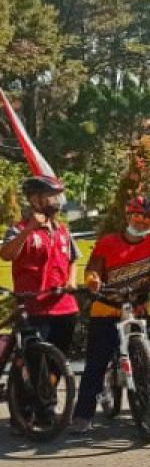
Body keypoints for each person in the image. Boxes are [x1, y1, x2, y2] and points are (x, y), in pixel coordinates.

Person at [71, 196, 150, 434]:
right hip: (106, 309)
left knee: (145, 361)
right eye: (138, 216)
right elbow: (93, 268)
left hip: (138, 309)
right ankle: (83, 414)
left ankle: (149, 405)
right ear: (129, 216)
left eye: (149, 218)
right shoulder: (108, 242)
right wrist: (93, 279)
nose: (142, 221)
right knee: (96, 363)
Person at [0, 175, 81, 428]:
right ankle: (41, 412)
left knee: (58, 362)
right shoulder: (19, 228)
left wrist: (71, 279)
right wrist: (28, 230)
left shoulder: (63, 231)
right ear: (34, 199)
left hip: (64, 306)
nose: (56, 201)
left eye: (58, 196)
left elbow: (73, 259)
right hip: (33, 305)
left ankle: (41, 402)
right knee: (37, 363)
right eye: (50, 196)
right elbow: (7, 254)